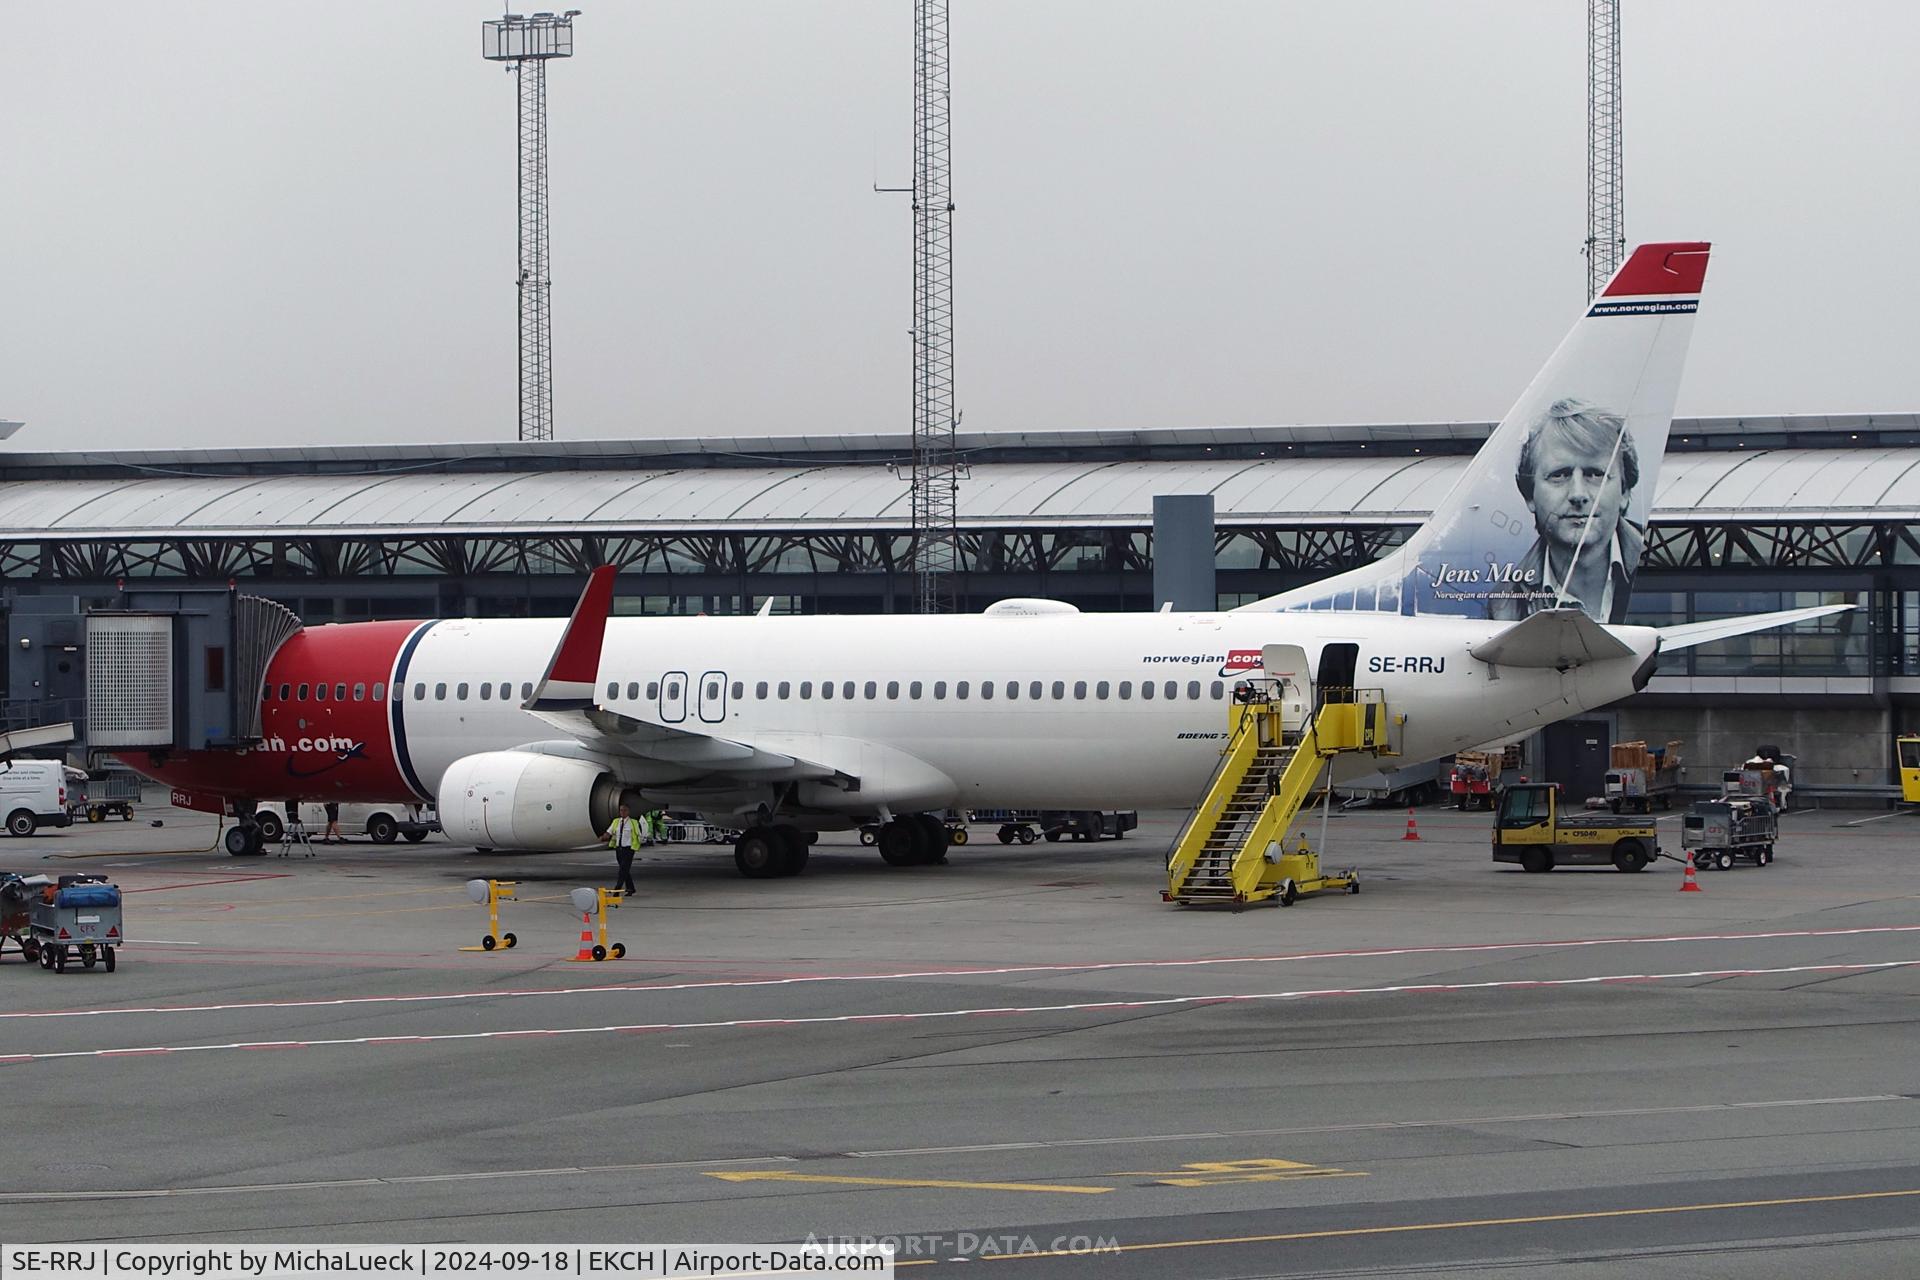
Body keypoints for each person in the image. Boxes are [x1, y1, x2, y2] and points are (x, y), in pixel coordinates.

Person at [1490, 397, 1646, 623]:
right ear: (1528, 494)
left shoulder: (1656, 574)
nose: (1578, 494)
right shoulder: (1503, 602)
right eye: (1559, 475)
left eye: (1595, 475)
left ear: (1624, 491)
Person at [604, 803, 642, 895]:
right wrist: (604, 836)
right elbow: (609, 832)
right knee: (624, 870)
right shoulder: (616, 821)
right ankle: (631, 888)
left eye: (624, 810)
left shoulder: (633, 822)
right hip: (619, 849)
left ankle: (617, 890)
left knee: (622, 871)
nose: (622, 812)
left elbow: (638, 835)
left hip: (629, 849)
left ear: (628, 812)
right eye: (621, 810)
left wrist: (636, 846)